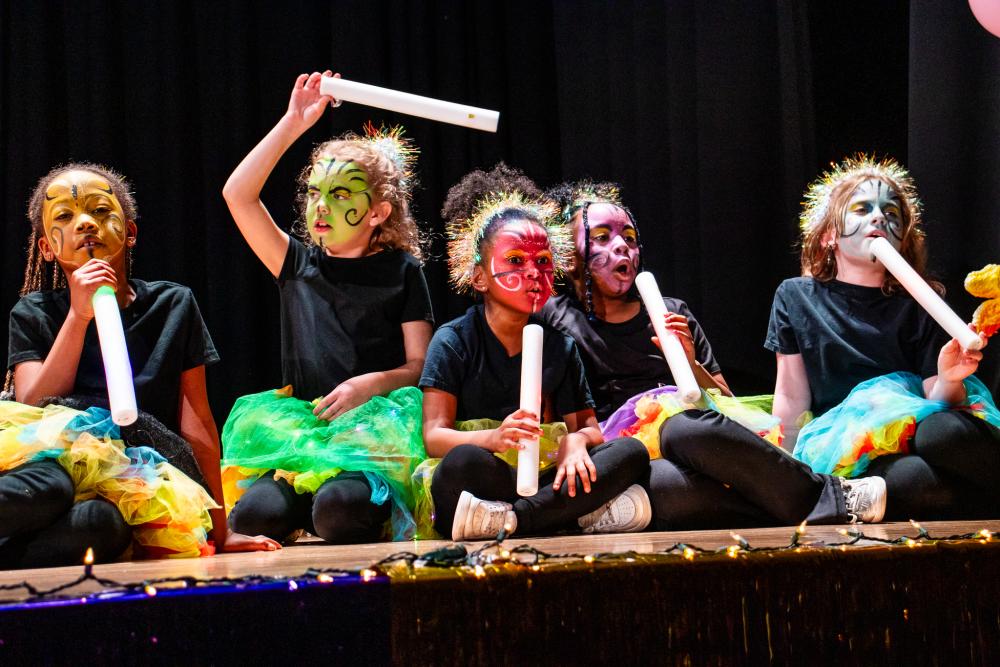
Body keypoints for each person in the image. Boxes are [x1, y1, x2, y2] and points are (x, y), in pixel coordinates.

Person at [540, 181, 869, 529]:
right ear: (570, 256)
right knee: (665, 487)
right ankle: (809, 500)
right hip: (621, 453)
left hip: (693, 440)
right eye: (603, 237)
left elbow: (726, 402)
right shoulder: (555, 317)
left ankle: (817, 495)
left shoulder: (671, 312)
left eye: (630, 238)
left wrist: (689, 360)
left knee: (683, 431)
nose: (622, 247)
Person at [2, 162, 278, 568]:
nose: (85, 225)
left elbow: (196, 421)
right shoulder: (35, 311)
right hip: (56, 461)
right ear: (46, 247)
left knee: (102, 527)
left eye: (100, 210)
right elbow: (34, 400)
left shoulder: (172, 305)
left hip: (135, 476)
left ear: (129, 233)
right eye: (64, 216)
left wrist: (221, 531)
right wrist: (78, 317)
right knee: (47, 488)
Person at [220, 71, 433, 544]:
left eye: (339, 195)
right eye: (315, 192)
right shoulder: (295, 263)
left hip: (373, 431)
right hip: (307, 431)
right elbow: (237, 194)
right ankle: (306, 505)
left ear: (377, 211)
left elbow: (420, 365)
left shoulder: (402, 271)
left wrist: (371, 383)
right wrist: (293, 123)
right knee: (252, 518)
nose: (320, 206)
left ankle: (339, 504)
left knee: (339, 511)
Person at [418, 165, 651, 541]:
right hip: (483, 472)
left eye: (542, 261)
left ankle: (515, 521)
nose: (532, 273)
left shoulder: (560, 345)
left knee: (630, 453)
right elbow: (434, 436)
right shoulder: (453, 340)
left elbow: (589, 428)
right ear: (479, 277)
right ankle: (565, 516)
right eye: (515, 261)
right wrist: (493, 439)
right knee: (460, 465)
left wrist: (576, 442)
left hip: (541, 476)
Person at [772, 155, 998, 520]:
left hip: (922, 426)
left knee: (944, 433)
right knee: (913, 480)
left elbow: (936, 398)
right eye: (862, 209)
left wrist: (951, 377)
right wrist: (785, 472)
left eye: (891, 214)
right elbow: (791, 393)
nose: (879, 217)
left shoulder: (922, 299)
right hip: (847, 445)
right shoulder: (796, 296)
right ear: (829, 235)